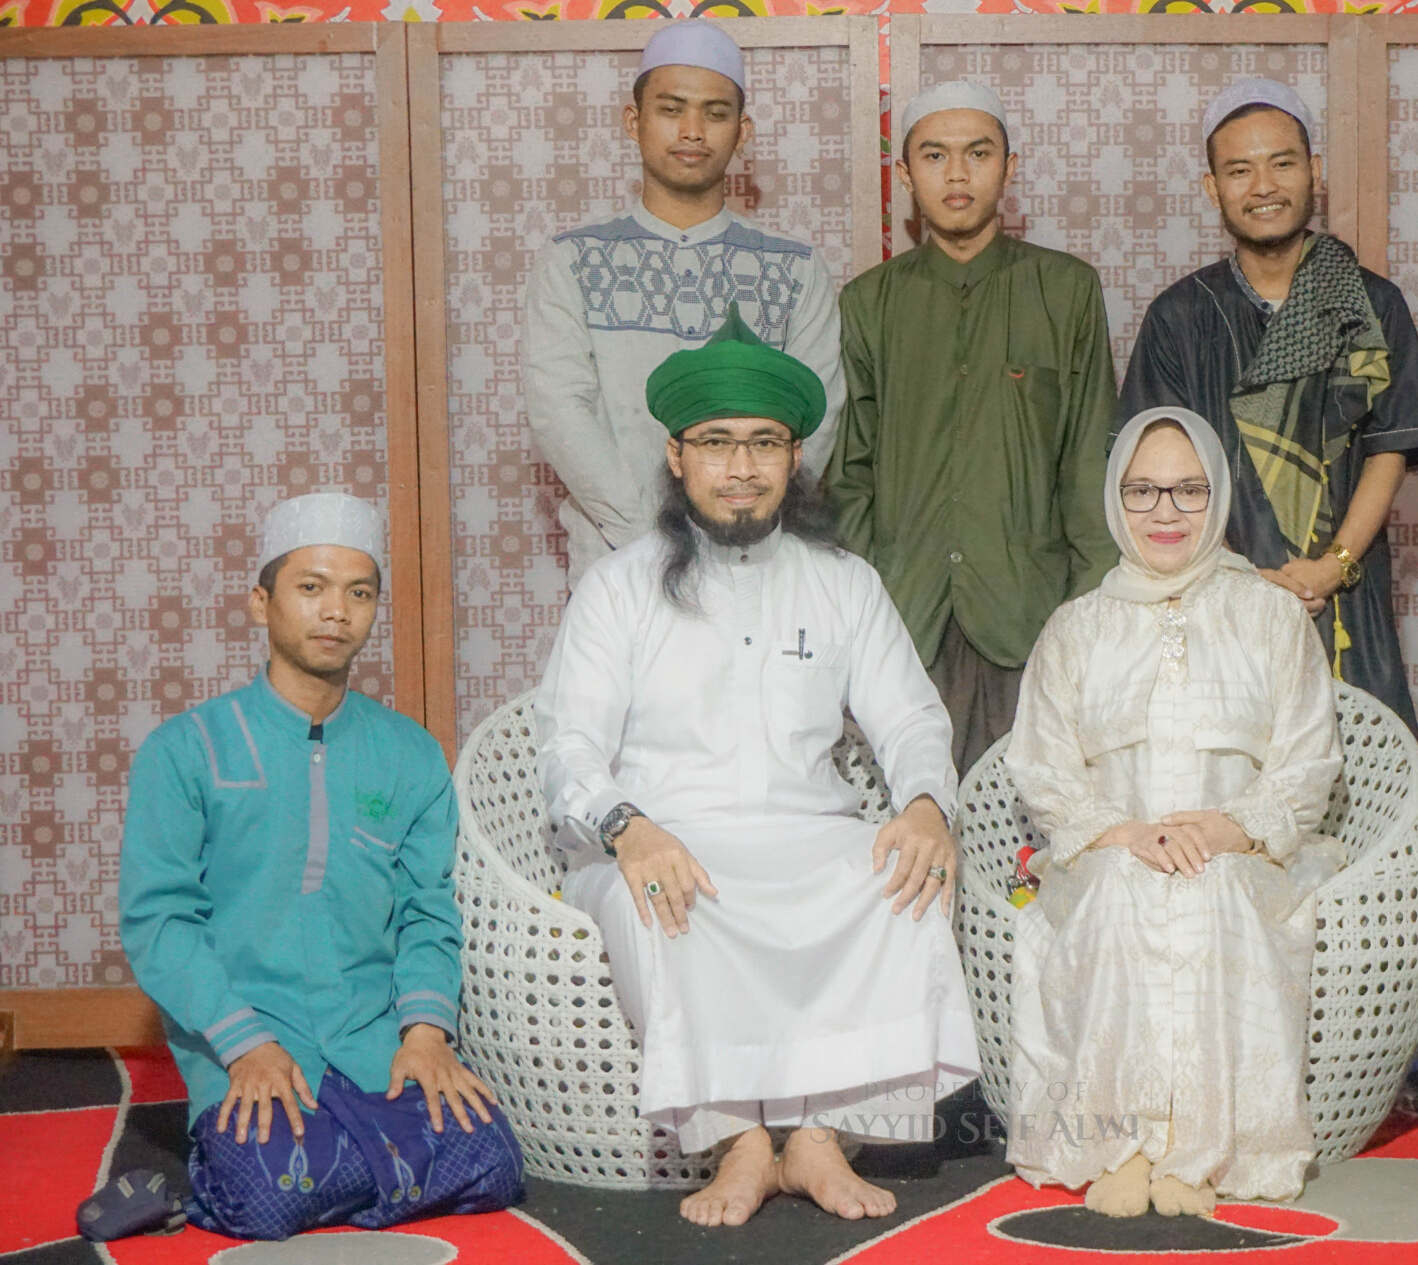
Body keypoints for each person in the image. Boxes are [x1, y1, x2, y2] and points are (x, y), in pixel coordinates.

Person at [534, 308, 980, 1227]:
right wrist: (627, 827)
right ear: (676, 455)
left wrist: (926, 805)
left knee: (905, 883)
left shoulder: (843, 582)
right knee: (667, 900)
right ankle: (737, 1142)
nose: (741, 468)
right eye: (717, 443)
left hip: (810, 839)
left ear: (794, 457)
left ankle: (820, 1139)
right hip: (663, 839)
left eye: (764, 444)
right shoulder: (618, 587)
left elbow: (910, 718)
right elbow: (568, 746)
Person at [118, 493, 523, 1241]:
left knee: (494, 1161)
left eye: (359, 593)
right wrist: (245, 1044)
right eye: (312, 587)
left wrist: (426, 1033)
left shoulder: (410, 753)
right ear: (261, 602)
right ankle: (317, 1166)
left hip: (375, 1038)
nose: (337, 611)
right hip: (245, 1036)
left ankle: (321, 1167)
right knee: (270, 1196)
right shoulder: (185, 750)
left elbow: (427, 911)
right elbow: (159, 922)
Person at [1004, 408, 1345, 1217]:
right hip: (1108, 853)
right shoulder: (1076, 628)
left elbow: (1309, 760)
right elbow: (1042, 766)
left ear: (1218, 496)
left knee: (1209, 888)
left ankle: (1196, 1153)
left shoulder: (1269, 615)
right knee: (1124, 888)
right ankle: (1121, 1146)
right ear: (1115, 498)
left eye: (1189, 490)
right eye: (1143, 491)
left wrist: (1231, 829)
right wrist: (1122, 833)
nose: (1166, 512)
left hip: (1243, 855)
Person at [1121, 77, 1418, 737]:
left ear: (1314, 173)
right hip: (1214, 597)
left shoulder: (1373, 305)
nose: (1263, 186)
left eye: (1282, 163)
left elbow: (1389, 451)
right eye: (1240, 170)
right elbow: (1153, 479)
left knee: (1363, 778)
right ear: (1213, 188)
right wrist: (1240, 576)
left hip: (1348, 599)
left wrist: (1332, 566)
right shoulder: (1178, 318)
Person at [826, 80, 1120, 772]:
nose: (956, 174)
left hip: (1032, 616)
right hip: (906, 620)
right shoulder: (868, 304)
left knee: (1033, 820)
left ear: (1009, 168)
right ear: (906, 175)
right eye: (934, 156)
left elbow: (1089, 464)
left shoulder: (1066, 291)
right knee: (910, 814)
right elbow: (849, 477)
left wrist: (1083, 623)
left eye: (978, 154)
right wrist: (871, 609)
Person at [525, 18, 846, 587]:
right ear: (634, 121)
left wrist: (737, 531)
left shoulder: (795, 268)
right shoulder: (572, 260)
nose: (693, 131)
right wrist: (652, 544)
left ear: (742, 132)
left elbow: (813, 419)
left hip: (755, 564)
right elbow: (560, 411)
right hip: (615, 567)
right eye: (672, 110)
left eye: (715, 114)